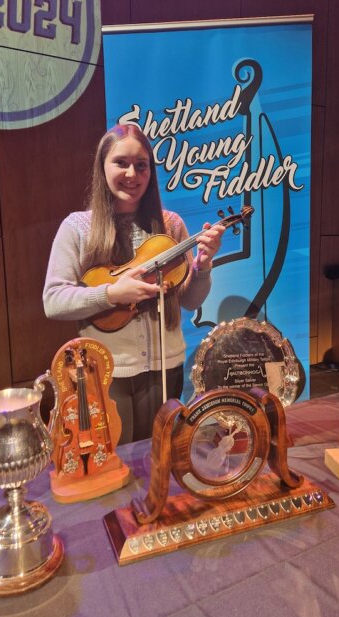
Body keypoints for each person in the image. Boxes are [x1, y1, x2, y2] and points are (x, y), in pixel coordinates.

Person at [43, 124, 224, 444]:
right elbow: (53, 300)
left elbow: (190, 301)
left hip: (166, 367)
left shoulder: (171, 225)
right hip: (107, 371)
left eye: (142, 165)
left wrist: (203, 266)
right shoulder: (78, 227)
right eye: (121, 163)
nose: (132, 173)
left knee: (160, 453)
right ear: (102, 166)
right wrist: (111, 294)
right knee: (118, 458)